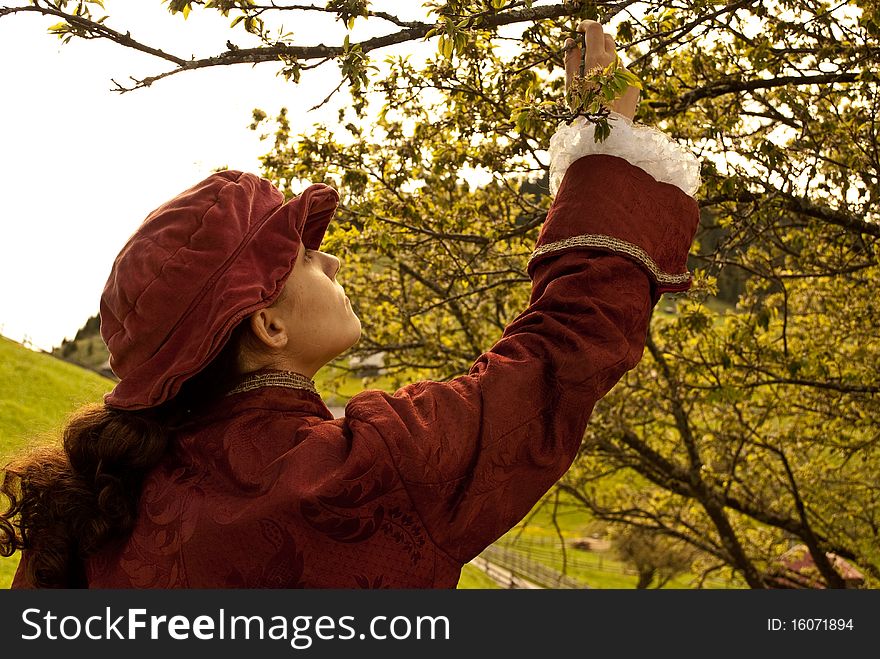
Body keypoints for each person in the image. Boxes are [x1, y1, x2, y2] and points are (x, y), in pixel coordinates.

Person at [1, 21, 701, 588]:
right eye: (304, 256)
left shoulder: (91, 514)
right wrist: (604, 142)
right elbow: (560, 354)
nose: (330, 257)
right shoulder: (364, 471)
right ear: (266, 322)